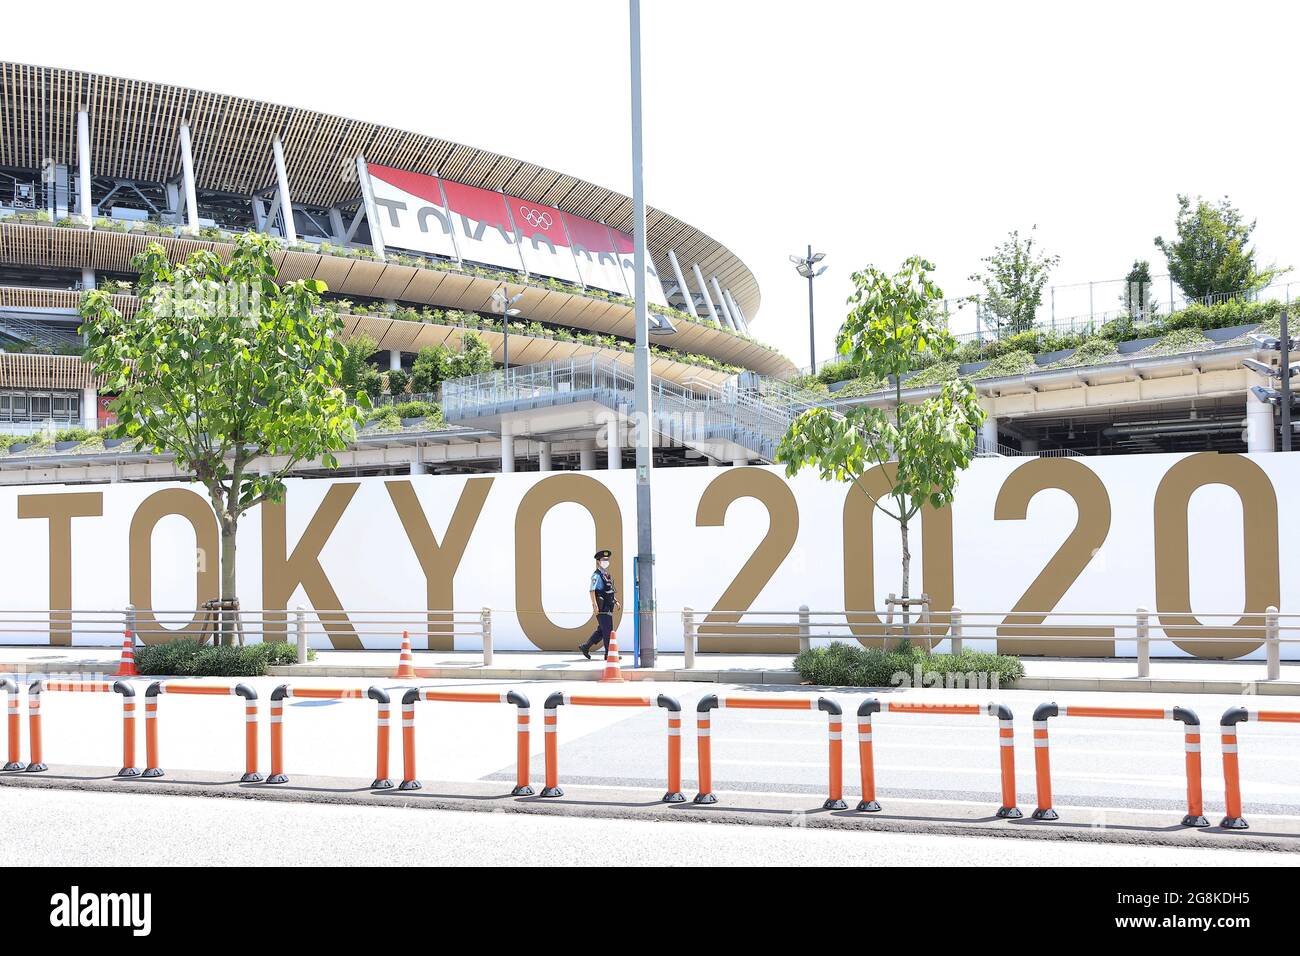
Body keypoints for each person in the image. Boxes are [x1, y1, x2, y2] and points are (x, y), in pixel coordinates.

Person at [578, 549, 620, 660]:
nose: (606, 561)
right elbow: (592, 590)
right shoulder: (596, 575)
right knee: (608, 631)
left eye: (607, 559)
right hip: (602, 607)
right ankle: (609, 654)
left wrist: (615, 601)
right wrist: (594, 605)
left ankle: (585, 647)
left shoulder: (606, 574)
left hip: (608, 605)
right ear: (598, 561)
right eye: (603, 559)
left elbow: (608, 590)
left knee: (602, 630)